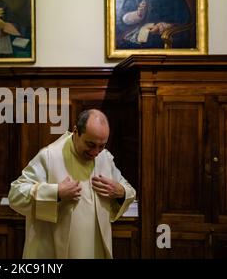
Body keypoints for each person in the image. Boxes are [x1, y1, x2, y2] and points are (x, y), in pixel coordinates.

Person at [8, 109, 136, 259]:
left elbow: (129, 190)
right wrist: (55, 193)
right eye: (90, 144)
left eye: (101, 146)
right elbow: (15, 195)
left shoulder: (105, 159)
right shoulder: (49, 156)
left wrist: (120, 192)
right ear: (76, 132)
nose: (95, 152)